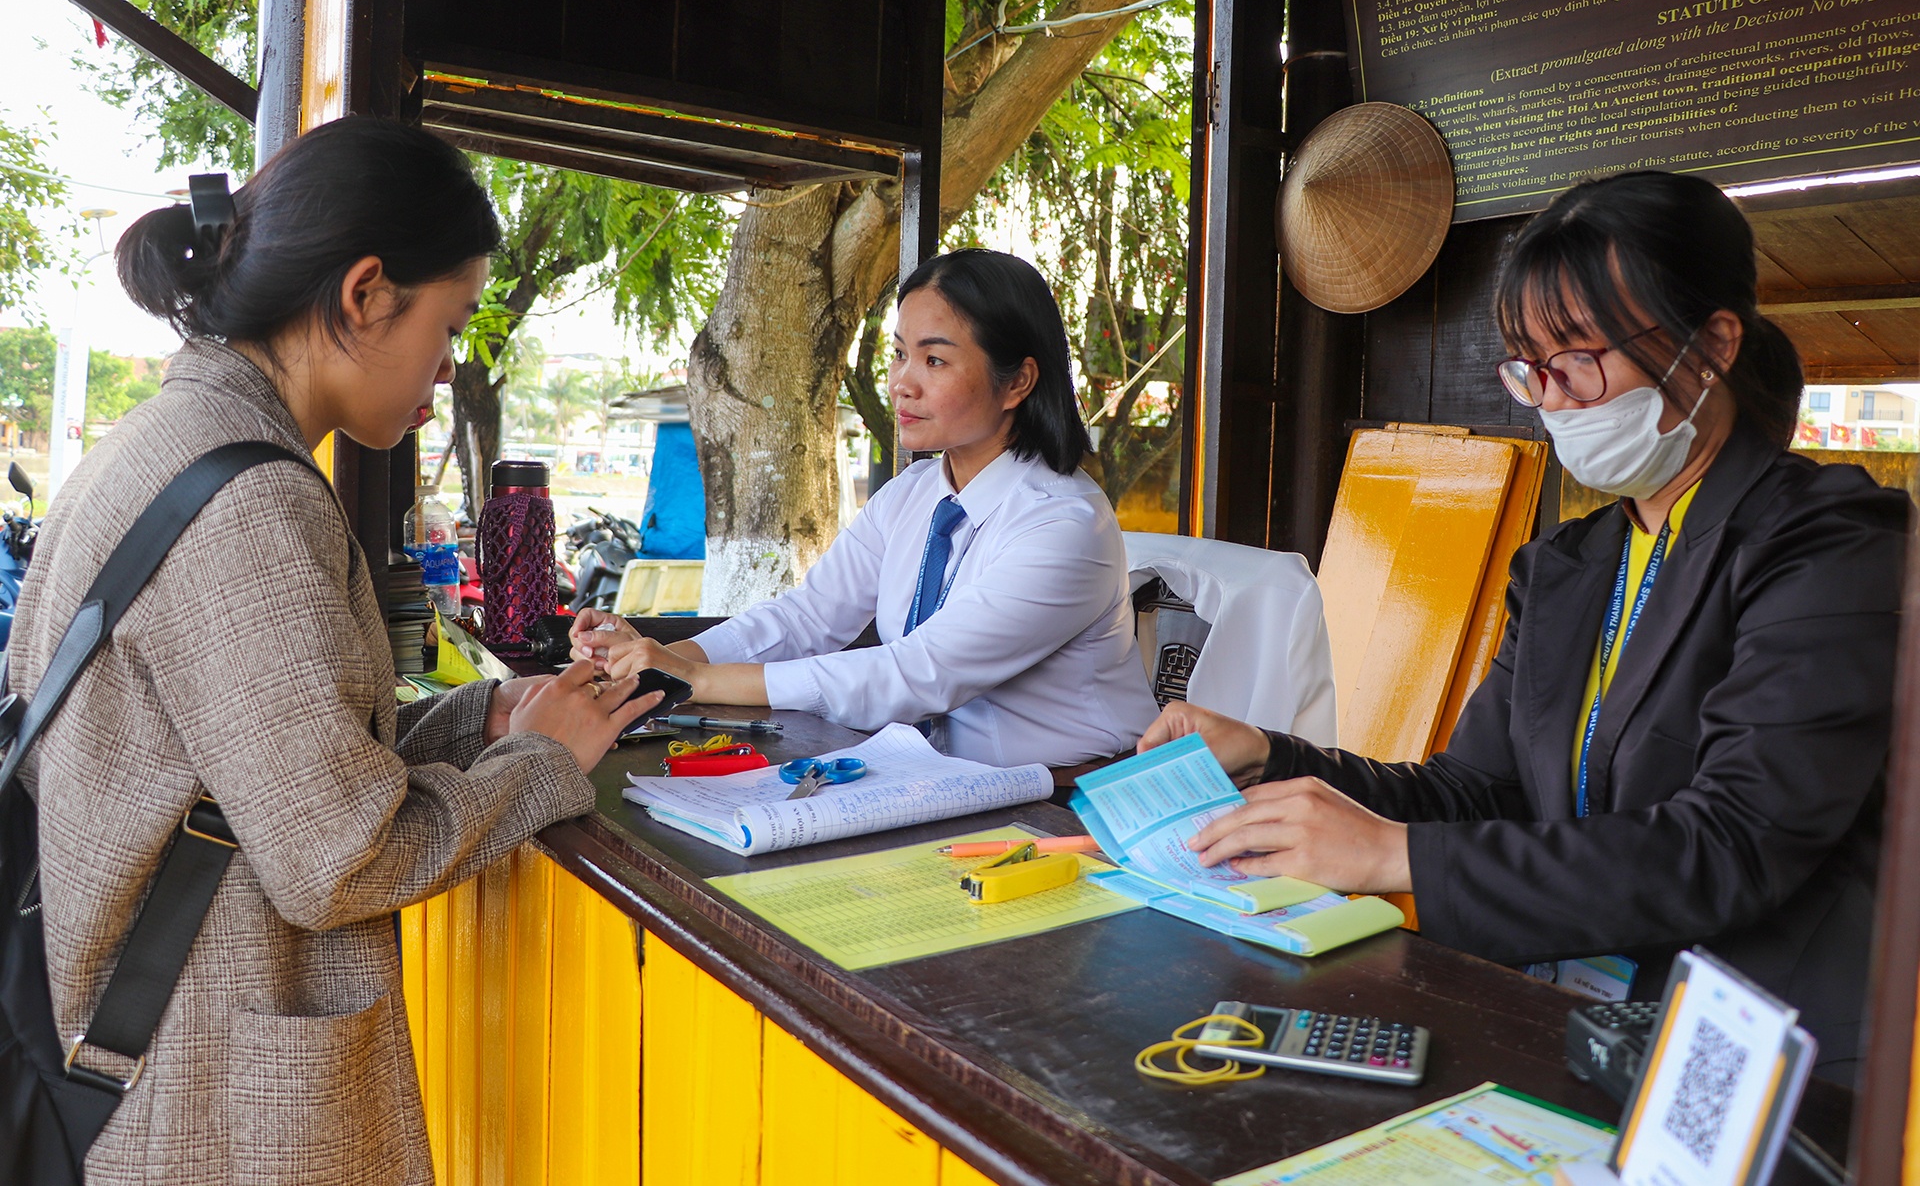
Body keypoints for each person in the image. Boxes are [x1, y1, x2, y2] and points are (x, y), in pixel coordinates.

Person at [1141, 171, 1907, 1083]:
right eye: (1528, 364)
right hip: (1559, 1009)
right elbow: (1478, 790)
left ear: (1713, 342)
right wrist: (1274, 758)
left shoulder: (1829, 544)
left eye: (1580, 356)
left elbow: (1731, 844)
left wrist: (1393, 853)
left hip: (1748, 1056)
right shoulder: (1570, 566)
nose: (1551, 394)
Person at [14, 117, 657, 1184]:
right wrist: (541, 764)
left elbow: (250, 757)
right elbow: (338, 855)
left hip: (137, 1048)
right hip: (210, 1095)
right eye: (446, 325)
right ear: (364, 296)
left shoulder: (160, 438)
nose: (447, 368)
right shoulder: (249, 496)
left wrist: (481, 716)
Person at [573, 248, 1159, 773]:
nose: (902, 383)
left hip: (1072, 797)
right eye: (901, 355)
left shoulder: (1063, 524)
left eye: (935, 361)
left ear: (1018, 382)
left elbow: (916, 673)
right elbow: (809, 617)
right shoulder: (913, 494)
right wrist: (660, 661)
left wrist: (698, 679)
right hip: (937, 780)